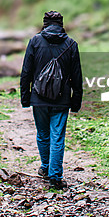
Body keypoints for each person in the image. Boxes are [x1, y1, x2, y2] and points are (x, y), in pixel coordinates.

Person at [20, 10, 82, 190]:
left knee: (42, 134)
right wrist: (75, 101)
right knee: (57, 137)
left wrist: (26, 98)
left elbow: (26, 73)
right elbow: (77, 77)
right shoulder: (71, 44)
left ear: (44, 24)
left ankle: (46, 167)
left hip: (38, 98)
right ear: (61, 25)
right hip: (61, 100)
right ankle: (55, 176)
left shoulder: (35, 42)